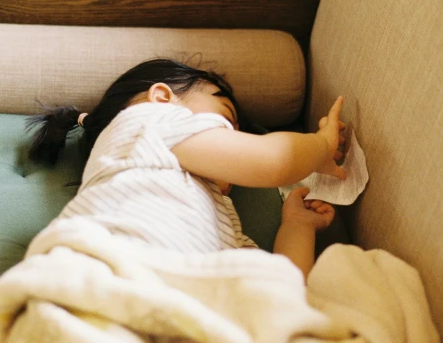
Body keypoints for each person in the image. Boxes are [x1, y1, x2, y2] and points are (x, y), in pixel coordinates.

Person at [27, 58, 346, 280]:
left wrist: (296, 226)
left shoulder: (225, 228)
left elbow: (284, 292)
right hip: (102, 275)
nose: (234, 140)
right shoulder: (147, 125)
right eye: (225, 120)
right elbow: (274, 160)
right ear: (162, 98)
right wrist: (321, 146)